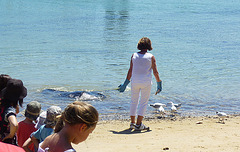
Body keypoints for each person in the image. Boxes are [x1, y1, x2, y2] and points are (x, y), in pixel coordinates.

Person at [118, 37, 162, 130]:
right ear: (149, 46)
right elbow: (155, 72)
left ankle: (132, 123)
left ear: (139, 45)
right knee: (143, 102)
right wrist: (159, 83)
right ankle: (139, 124)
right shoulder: (151, 57)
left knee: (134, 101)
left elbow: (130, 71)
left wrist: (125, 84)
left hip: (135, 82)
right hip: (146, 83)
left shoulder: (134, 55)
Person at [0, 79, 27, 145]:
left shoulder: (2, 102)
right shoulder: (9, 109)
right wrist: (11, 135)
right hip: (5, 141)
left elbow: (16, 111)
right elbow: (14, 124)